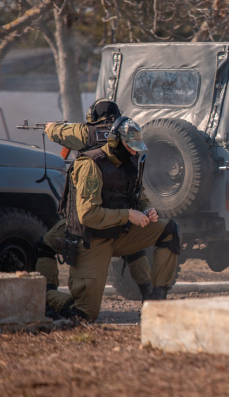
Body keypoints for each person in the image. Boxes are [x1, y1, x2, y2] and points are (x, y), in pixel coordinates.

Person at [46, 117, 180, 322]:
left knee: (169, 229)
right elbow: (88, 214)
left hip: (119, 234)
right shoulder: (91, 164)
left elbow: (139, 195)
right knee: (84, 315)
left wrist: (147, 209)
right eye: (130, 147)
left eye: (136, 148)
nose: (134, 152)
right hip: (91, 240)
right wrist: (128, 215)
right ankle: (43, 295)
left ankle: (155, 305)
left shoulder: (130, 162)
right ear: (115, 141)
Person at [34, 100, 153, 305]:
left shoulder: (85, 132)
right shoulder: (129, 137)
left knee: (44, 246)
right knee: (134, 250)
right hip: (122, 217)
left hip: (89, 221)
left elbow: (57, 132)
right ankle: (149, 295)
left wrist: (50, 126)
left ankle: (49, 297)